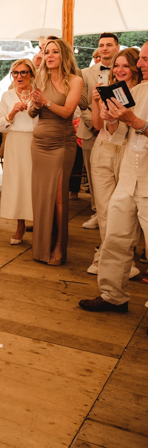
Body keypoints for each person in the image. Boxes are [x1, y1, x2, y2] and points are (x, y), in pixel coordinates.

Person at [79, 42, 148, 314]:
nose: (139, 64)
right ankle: (112, 295)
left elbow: (136, 125)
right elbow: (118, 135)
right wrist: (109, 118)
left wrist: (136, 122)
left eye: (144, 59)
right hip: (129, 176)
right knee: (115, 237)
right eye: (140, 59)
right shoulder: (138, 91)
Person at [87, 48, 142, 278]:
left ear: (135, 68)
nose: (119, 70)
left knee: (124, 210)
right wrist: (96, 102)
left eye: (125, 66)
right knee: (104, 208)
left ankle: (125, 260)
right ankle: (104, 256)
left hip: (129, 152)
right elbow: (97, 125)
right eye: (116, 65)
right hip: (102, 149)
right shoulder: (108, 90)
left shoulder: (141, 92)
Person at [29, 38, 83, 265]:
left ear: (64, 56)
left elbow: (68, 111)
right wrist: (35, 105)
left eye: (55, 52)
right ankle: (42, 246)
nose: (49, 56)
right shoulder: (40, 79)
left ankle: (59, 245)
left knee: (59, 197)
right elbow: (32, 112)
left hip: (61, 143)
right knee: (42, 196)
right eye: (47, 52)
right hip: (39, 143)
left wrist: (46, 102)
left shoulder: (75, 81)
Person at [78, 33, 120, 229]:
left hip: (120, 131)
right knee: (93, 175)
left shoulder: (123, 70)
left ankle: (118, 214)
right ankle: (97, 211)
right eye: (101, 45)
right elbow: (82, 104)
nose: (104, 48)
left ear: (117, 48)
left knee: (117, 175)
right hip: (91, 131)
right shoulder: (86, 73)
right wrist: (95, 126)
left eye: (109, 45)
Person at [0, 58, 37, 245]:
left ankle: (39, 222)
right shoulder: (7, 96)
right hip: (14, 142)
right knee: (17, 184)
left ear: (31, 74)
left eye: (23, 72)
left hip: (35, 142)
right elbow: (0, 126)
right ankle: (20, 225)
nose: (19, 76)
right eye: (15, 73)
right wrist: (12, 113)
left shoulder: (39, 94)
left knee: (35, 183)